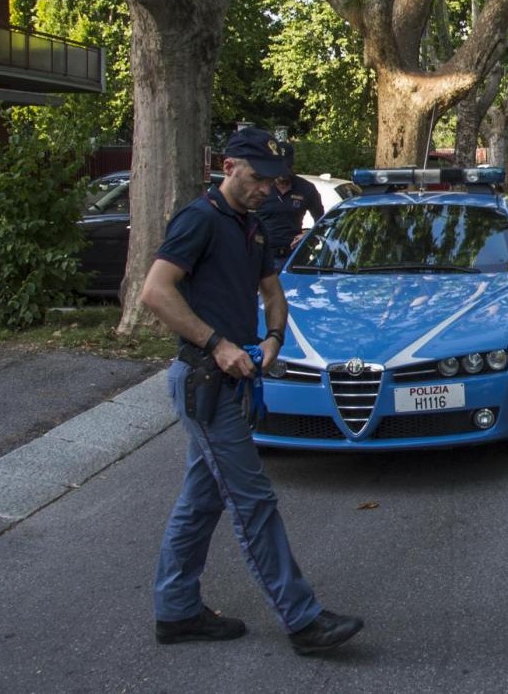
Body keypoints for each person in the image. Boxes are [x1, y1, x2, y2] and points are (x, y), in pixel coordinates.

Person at [139, 127, 363, 655]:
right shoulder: (200, 219)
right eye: (258, 177)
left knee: (200, 502)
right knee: (253, 501)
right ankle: (304, 621)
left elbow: (272, 290)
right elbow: (155, 291)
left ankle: (176, 611)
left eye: (274, 180)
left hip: (233, 382)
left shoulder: (252, 226)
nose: (266, 188)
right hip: (204, 382)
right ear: (229, 166)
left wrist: (274, 337)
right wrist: (217, 344)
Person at [255, 140, 323, 268]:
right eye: (281, 167)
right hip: (261, 256)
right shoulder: (261, 186)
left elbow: (322, 221)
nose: (285, 171)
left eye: (288, 167)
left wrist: (307, 235)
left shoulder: (306, 188)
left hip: (293, 258)